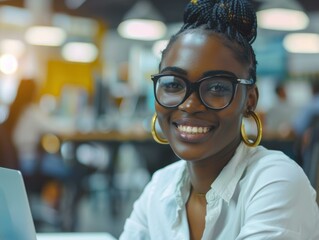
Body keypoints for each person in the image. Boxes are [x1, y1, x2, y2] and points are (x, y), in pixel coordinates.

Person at [120, 0, 319, 239]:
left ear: (250, 100)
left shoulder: (275, 181)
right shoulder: (159, 188)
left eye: (216, 87)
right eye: (173, 84)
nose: (189, 104)